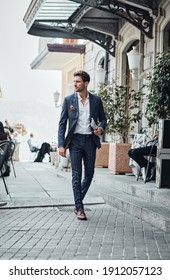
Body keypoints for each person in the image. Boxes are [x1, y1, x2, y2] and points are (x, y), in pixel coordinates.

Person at [58, 70, 107, 220]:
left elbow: (103, 119)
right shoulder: (68, 101)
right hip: (75, 142)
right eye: (74, 81)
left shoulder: (96, 100)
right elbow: (62, 124)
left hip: (90, 141)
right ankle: (80, 208)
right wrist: (61, 144)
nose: (75, 84)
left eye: (78, 82)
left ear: (85, 83)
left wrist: (101, 128)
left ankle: (77, 203)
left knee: (90, 174)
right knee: (76, 175)